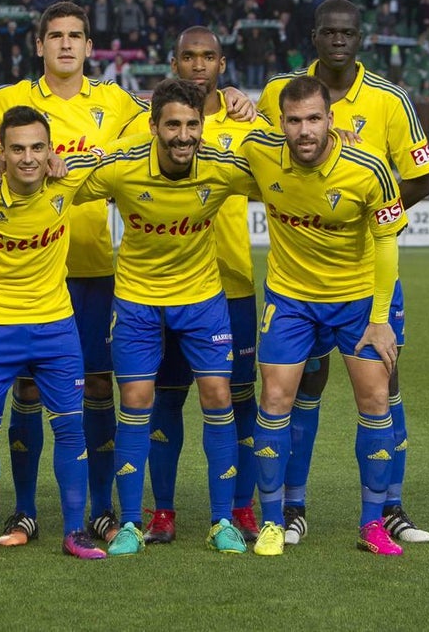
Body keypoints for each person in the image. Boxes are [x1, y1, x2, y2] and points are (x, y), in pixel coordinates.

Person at [0, 1, 253, 546]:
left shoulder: (119, 102)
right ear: (39, 45)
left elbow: (179, 122)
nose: (64, 45)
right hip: (35, 273)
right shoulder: (3, 100)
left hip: (101, 272)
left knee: (104, 387)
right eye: (54, 35)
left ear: (89, 46)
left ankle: (106, 510)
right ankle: (26, 511)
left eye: (75, 36)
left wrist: (230, 100)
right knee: (30, 391)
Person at [257, 0, 429, 546]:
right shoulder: (277, 92)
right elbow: (252, 151)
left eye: (348, 33)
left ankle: (390, 508)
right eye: (329, 32)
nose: (338, 40)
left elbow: (421, 178)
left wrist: (361, 210)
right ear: (313, 36)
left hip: (365, 277)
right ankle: (292, 508)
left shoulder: (390, 100)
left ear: (361, 37)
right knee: (300, 385)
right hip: (295, 285)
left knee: (385, 383)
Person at [72, 78, 258, 556]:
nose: (183, 135)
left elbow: (286, 174)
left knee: (219, 397)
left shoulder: (220, 165)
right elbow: (65, 179)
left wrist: (336, 141)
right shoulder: (122, 166)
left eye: (192, 124)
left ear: (203, 126)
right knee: (136, 401)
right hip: (137, 301)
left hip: (201, 300)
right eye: (172, 124)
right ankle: (132, 523)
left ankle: (221, 522)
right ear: (153, 126)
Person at [241, 75, 407, 557]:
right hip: (290, 299)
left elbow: (387, 241)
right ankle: (274, 520)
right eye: (293, 120)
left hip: (356, 302)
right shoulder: (260, 148)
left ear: (331, 120)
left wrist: (380, 318)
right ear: (281, 123)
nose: (304, 130)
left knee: (376, 400)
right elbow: (204, 124)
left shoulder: (367, 166)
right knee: (274, 398)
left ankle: (373, 522)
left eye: (314, 118)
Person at [0, 106, 106, 562]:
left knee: (71, 430)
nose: (28, 158)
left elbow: (118, 155)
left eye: (37, 147)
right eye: (16, 148)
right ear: (3, 149)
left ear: (51, 149)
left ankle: (76, 532)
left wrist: (68, 160)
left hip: (55, 325)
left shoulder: (66, 181)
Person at [141, 29, 272, 546]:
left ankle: (240, 507)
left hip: (232, 283)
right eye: (188, 57)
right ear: (173, 62)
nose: (198, 65)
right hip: (166, 286)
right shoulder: (158, 119)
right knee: (164, 401)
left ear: (223, 63)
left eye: (208, 57)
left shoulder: (247, 123)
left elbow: (293, 163)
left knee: (238, 401)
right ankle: (164, 512)